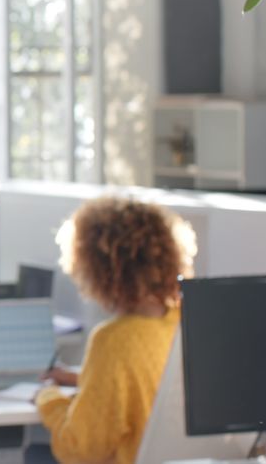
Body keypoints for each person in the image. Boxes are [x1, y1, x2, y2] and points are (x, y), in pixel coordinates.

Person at [35, 196, 196, 464]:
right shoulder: (184, 321)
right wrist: (81, 380)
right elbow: (149, 391)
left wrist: (48, 399)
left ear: (97, 268)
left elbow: (80, 449)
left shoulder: (115, 340)